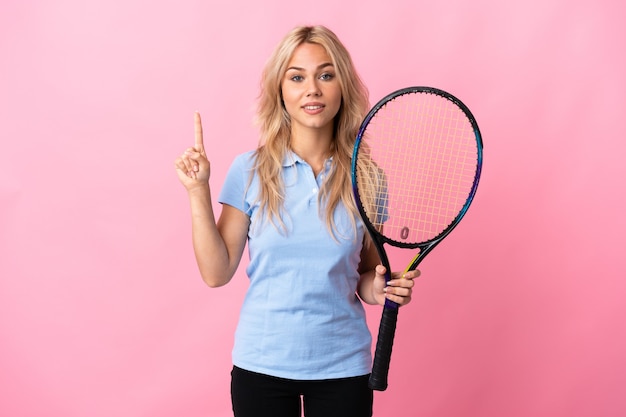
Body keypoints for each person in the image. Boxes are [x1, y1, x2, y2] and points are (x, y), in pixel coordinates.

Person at [174, 25, 419, 417]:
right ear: (280, 91)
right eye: (297, 77)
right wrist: (197, 191)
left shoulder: (368, 179)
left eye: (326, 74)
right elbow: (217, 273)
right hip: (262, 365)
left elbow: (368, 276)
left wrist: (383, 288)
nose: (313, 89)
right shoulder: (249, 171)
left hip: (344, 367)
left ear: (343, 87)